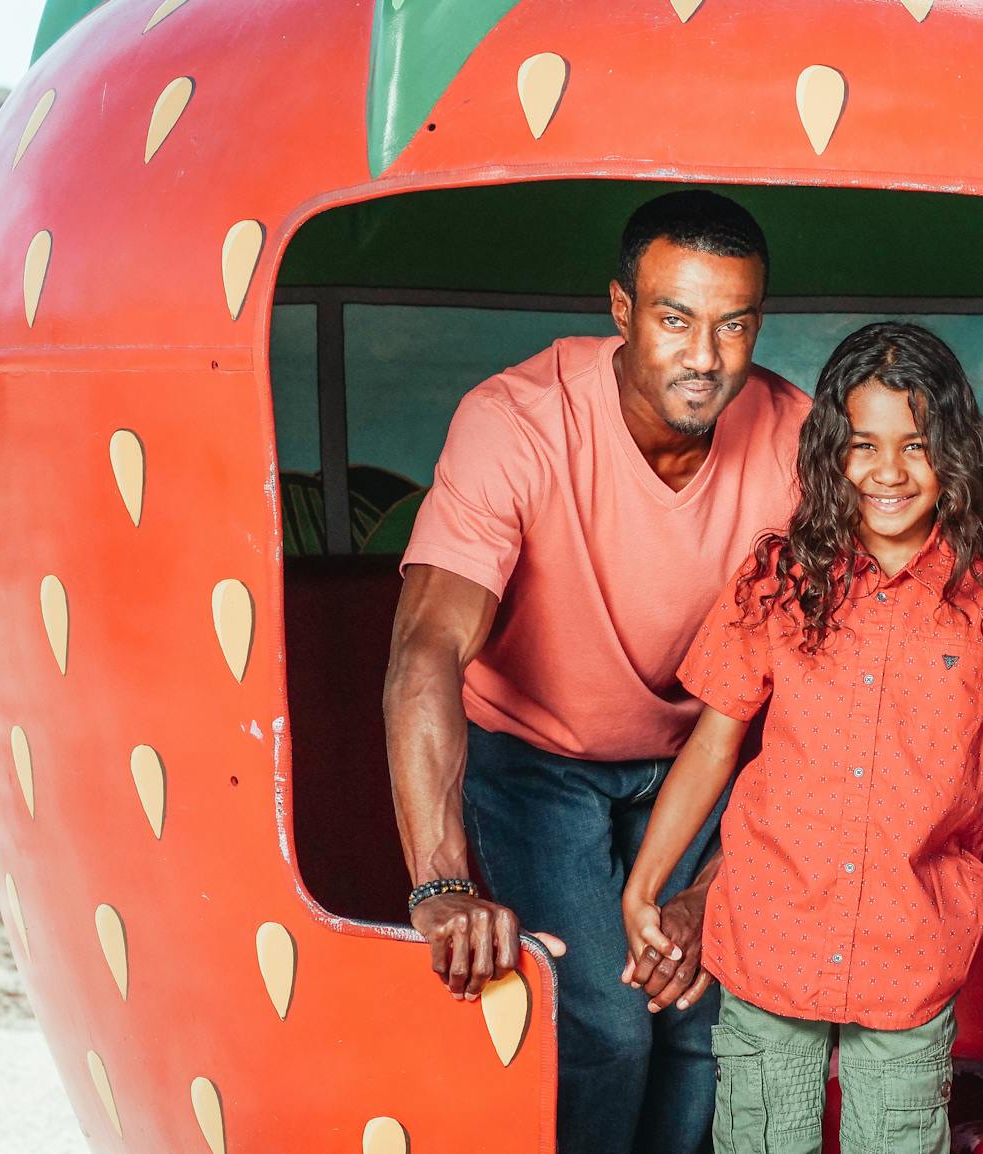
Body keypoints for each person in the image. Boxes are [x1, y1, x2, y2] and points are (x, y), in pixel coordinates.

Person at [619, 322, 983, 1154]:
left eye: (916, 446)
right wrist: (646, 884)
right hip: (770, 938)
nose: (889, 472)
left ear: (955, 454)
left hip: (911, 953)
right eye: (864, 445)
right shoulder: (775, 583)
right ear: (830, 454)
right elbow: (712, 744)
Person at [385, 189, 811, 1154]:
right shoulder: (515, 421)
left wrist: (715, 890)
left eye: (733, 325)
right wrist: (440, 885)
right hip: (537, 761)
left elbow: (828, 700)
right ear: (621, 309)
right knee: (609, 1026)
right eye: (675, 318)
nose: (705, 357)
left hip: (703, 761)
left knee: (703, 1013)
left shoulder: (794, 437)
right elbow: (426, 647)